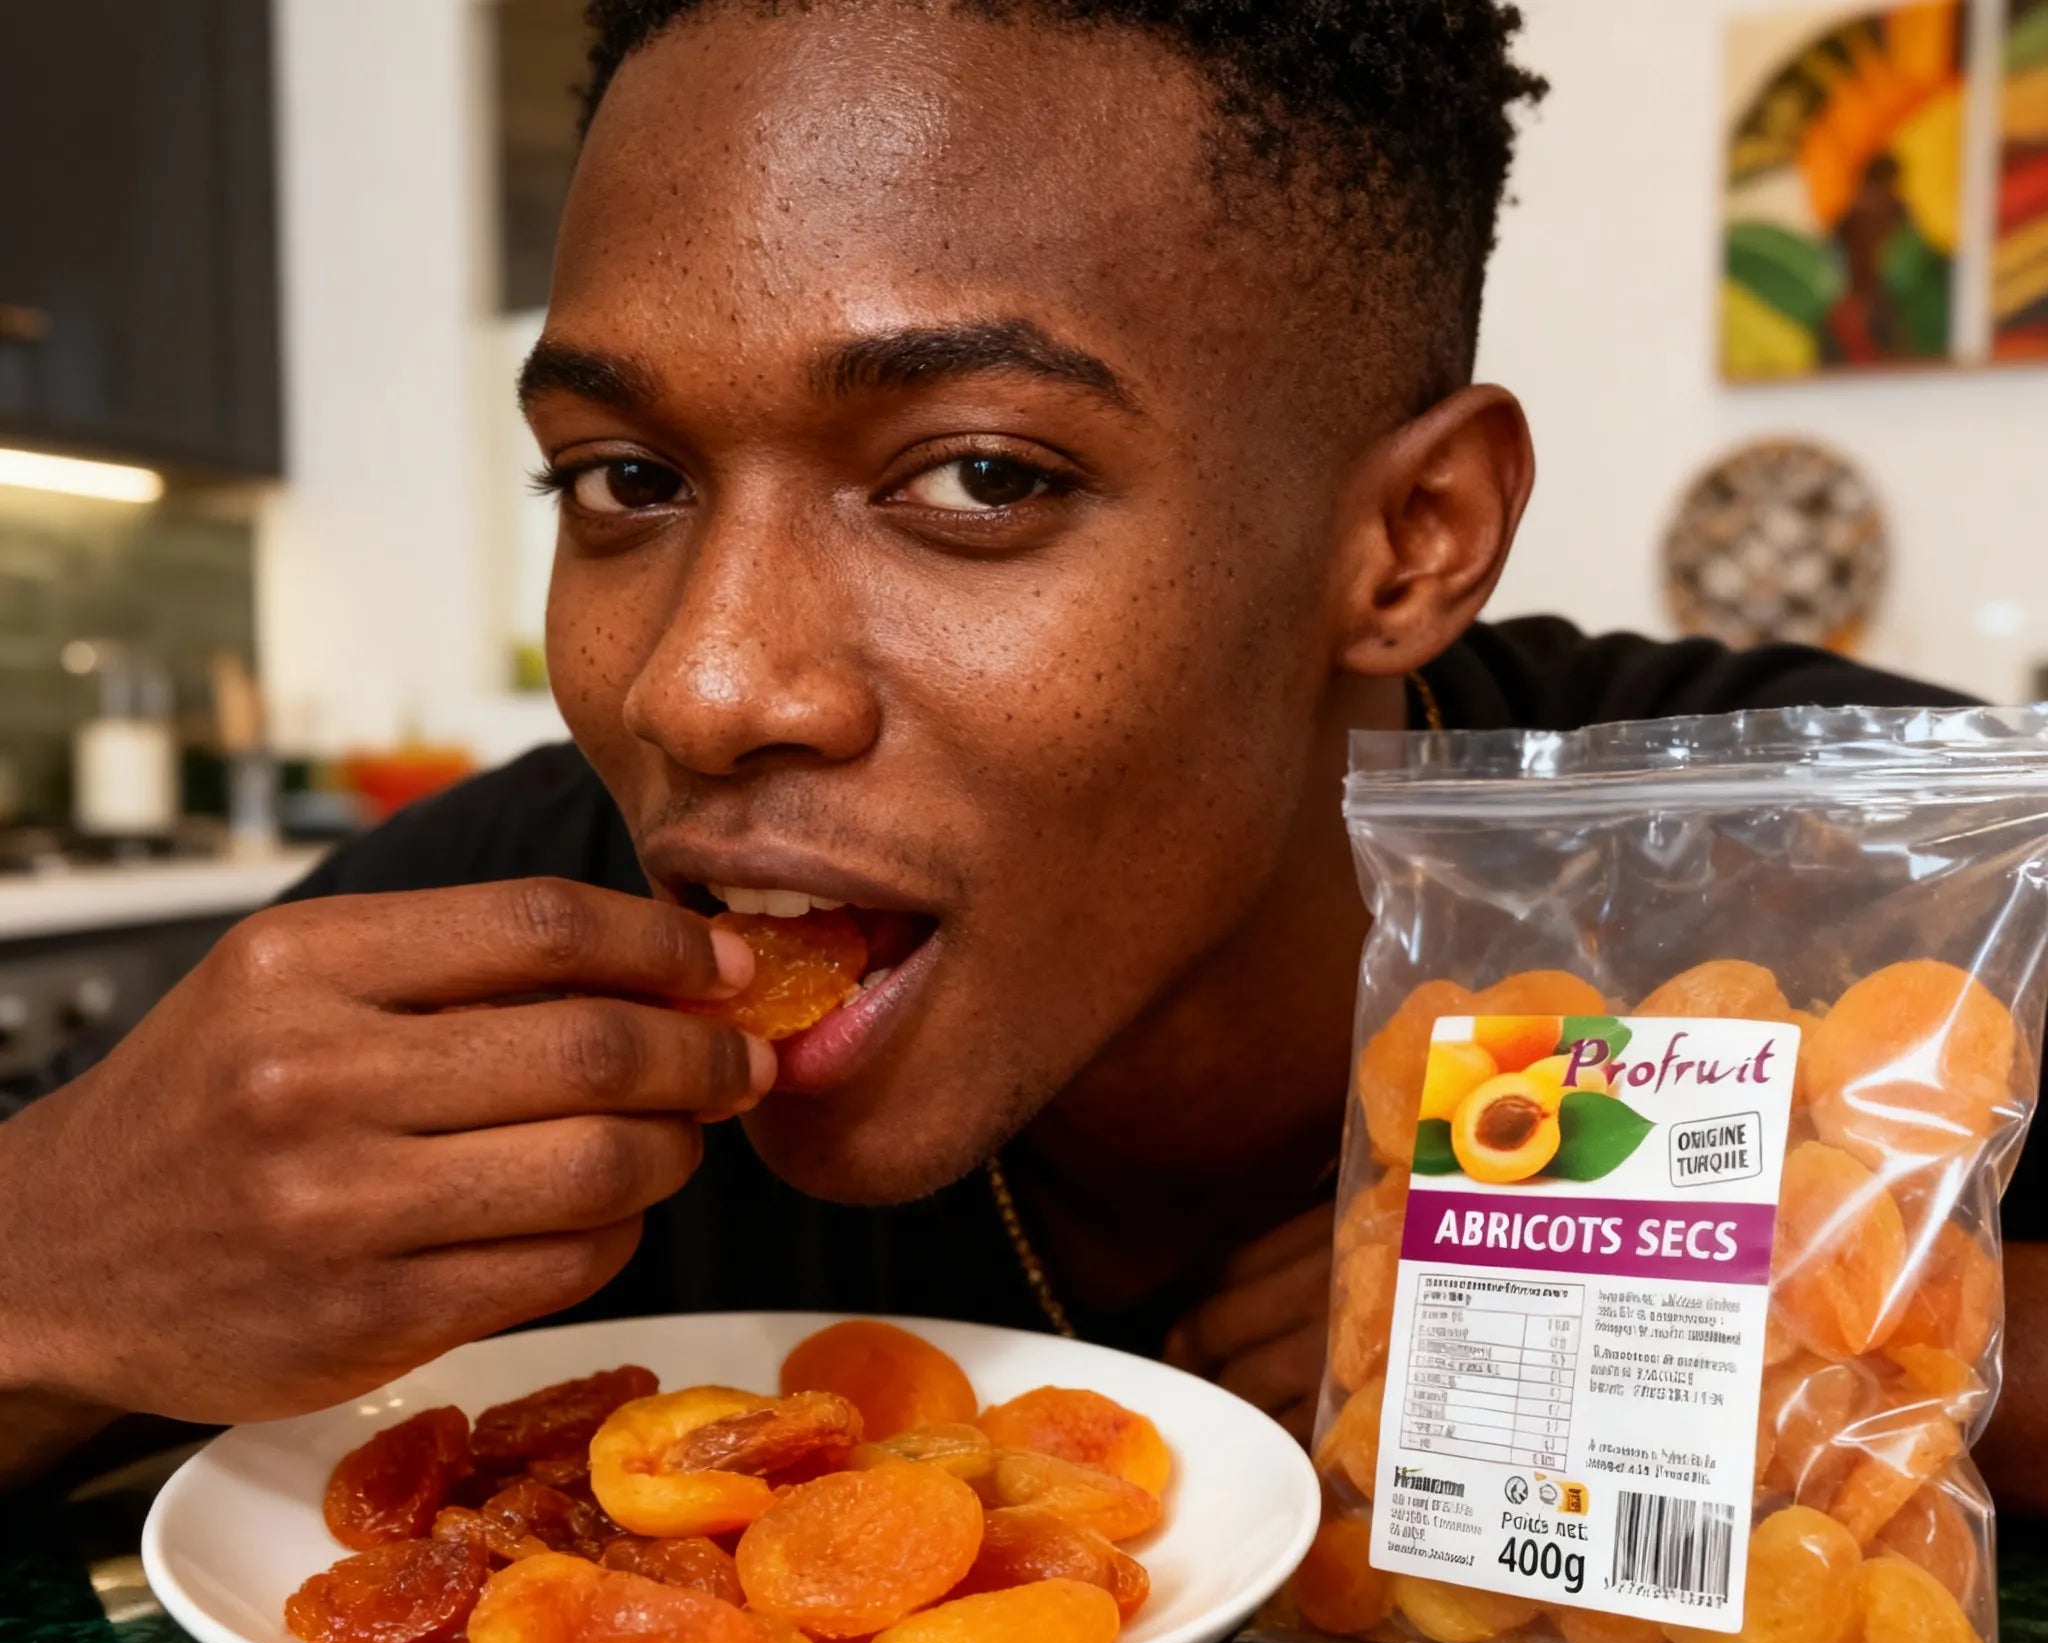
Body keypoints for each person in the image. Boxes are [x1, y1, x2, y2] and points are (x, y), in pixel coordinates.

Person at [4, 0, 2044, 1502]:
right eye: (622, 477)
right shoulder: (479, 945)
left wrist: (1818, 1332)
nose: (702, 689)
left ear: (1405, 542)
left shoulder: (1840, 866)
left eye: (976, 475)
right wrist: (53, 1263)